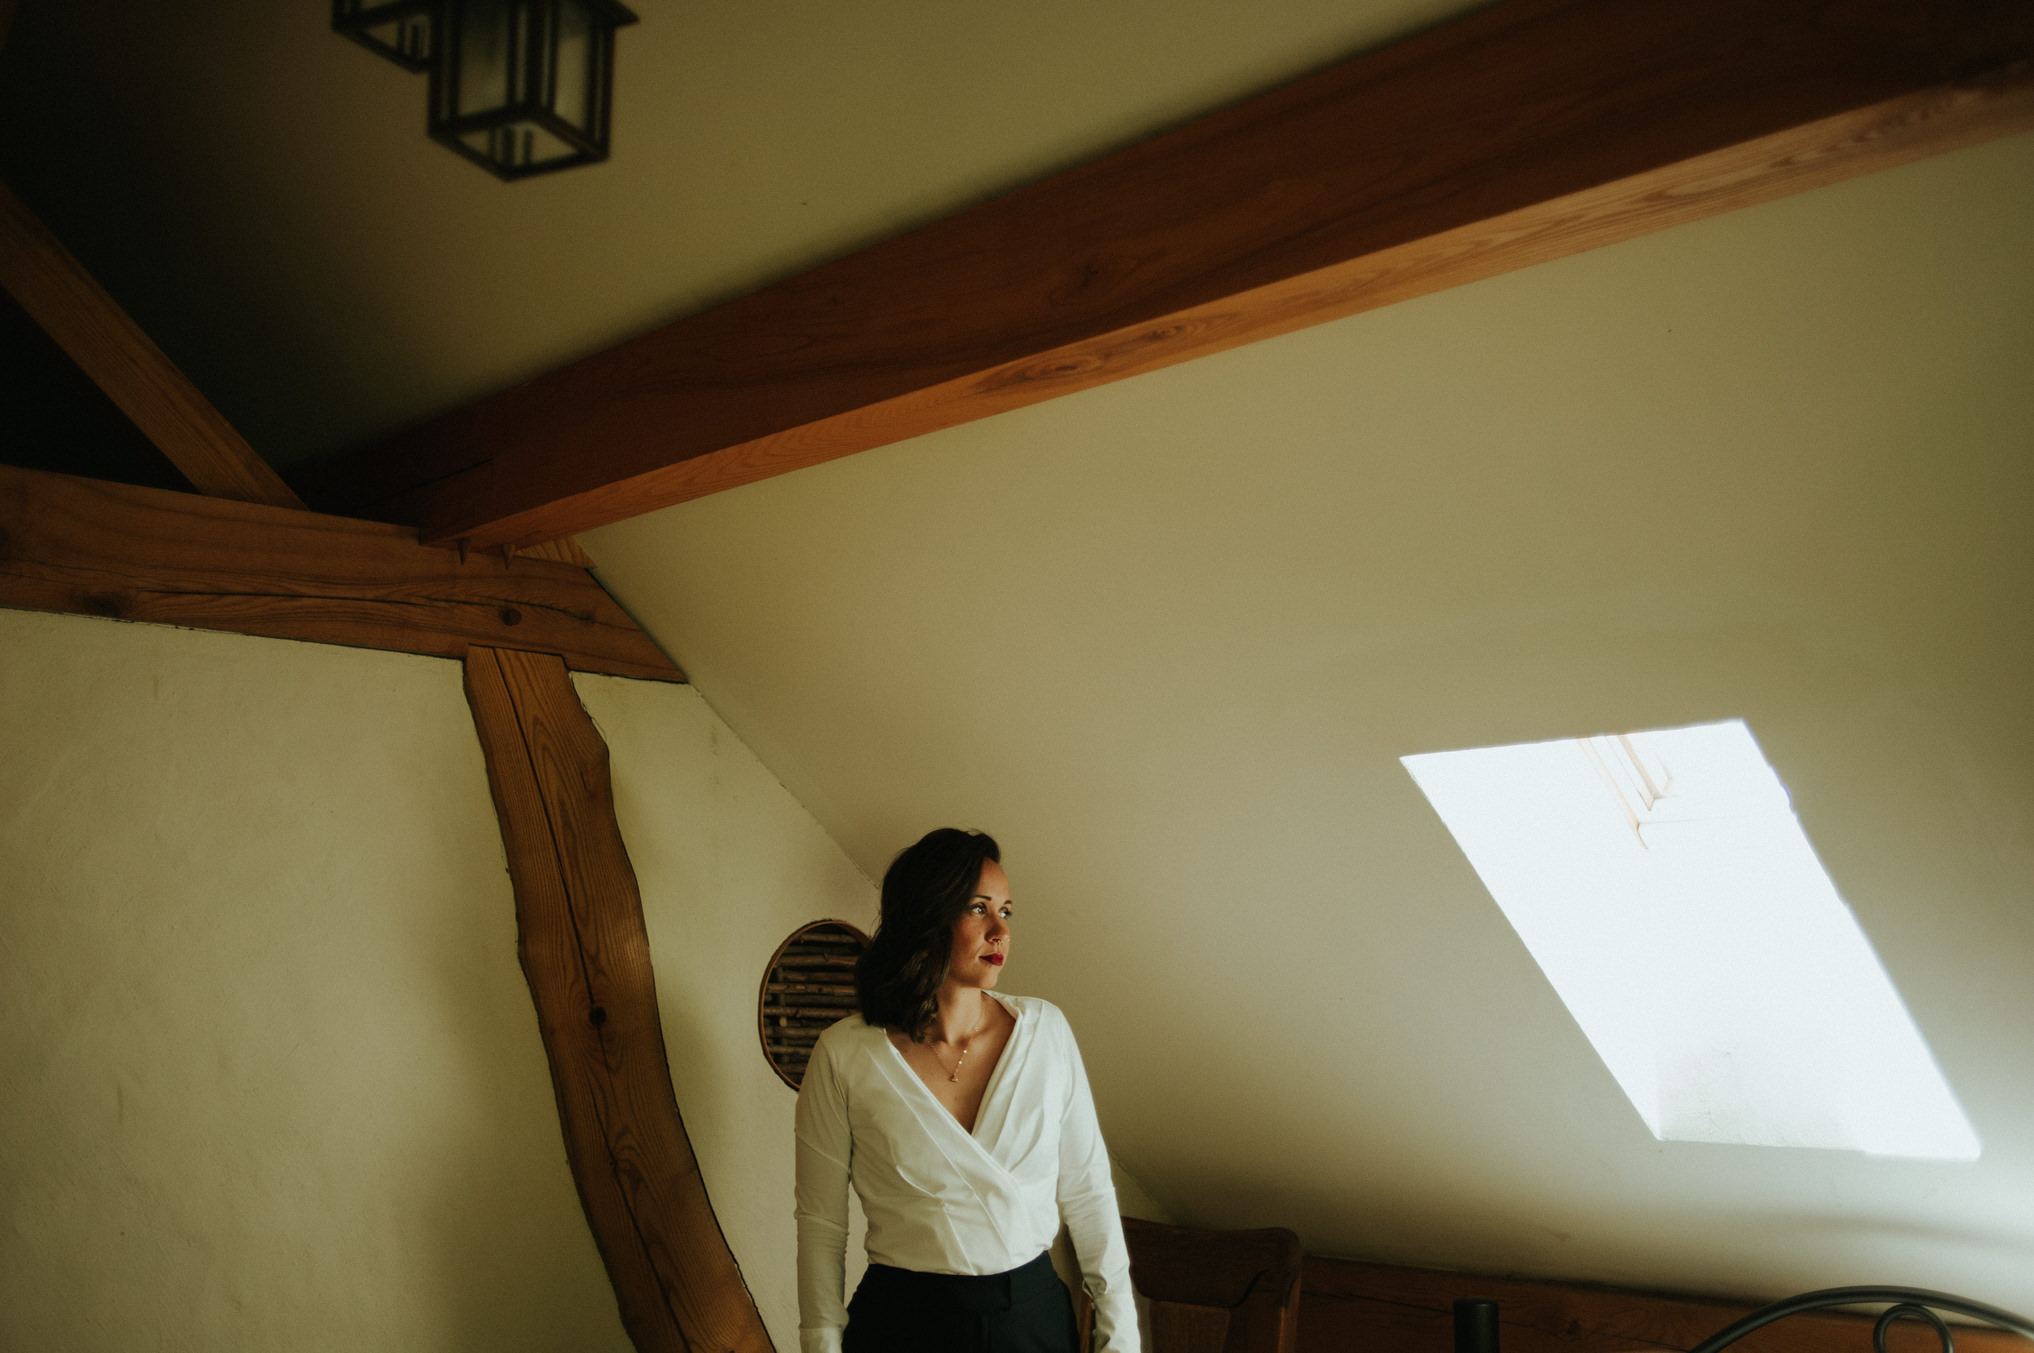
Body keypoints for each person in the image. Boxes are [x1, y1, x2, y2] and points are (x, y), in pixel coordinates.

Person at [794, 828, 1140, 1353]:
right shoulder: (844, 1055)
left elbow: (1089, 1194)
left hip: (1032, 1323)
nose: (1000, 930)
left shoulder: (1046, 1033)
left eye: (1006, 910)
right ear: (928, 918)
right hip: (901, 1327)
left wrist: (1121, 1338)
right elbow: (821, 1223)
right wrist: (820, 1344)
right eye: (978, 909)